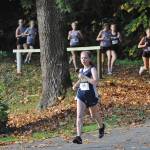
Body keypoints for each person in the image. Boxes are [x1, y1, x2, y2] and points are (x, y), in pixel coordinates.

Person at [72, 51, 105, 144]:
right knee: (79, 116)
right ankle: (78, 137)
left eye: (85, 58)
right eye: (82, 58)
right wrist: (76, 85)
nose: (83, 60)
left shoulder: (92, 69)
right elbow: (81, 80)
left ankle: (101, 127)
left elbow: (95, 82)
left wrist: (84, 77)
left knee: (93, 115)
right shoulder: (81, 70)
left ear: (89, 59)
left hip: (91, 96)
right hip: (81, 95)